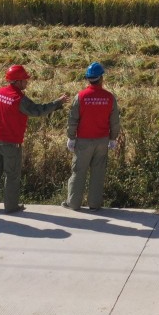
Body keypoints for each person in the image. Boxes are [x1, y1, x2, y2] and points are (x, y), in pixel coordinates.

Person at [0, 64, 68, 213]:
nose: (27, 82)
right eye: (25, 79)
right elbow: (38, 110)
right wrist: (58, 103)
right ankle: (11, 206)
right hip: (11, 144)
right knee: (12, 176)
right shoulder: (19, 99)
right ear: (17, 81)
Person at [65, 61, 121, 212]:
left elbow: (73, 119)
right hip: (102, 141)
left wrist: (71, 137)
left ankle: (73, 203)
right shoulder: (109, 98)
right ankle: (95, 204)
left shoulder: (80, 96)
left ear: (88, 78)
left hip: (83, 142)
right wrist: (113, 138)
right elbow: (114, 121)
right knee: (98, 173)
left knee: (78, 172)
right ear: (101, 78)